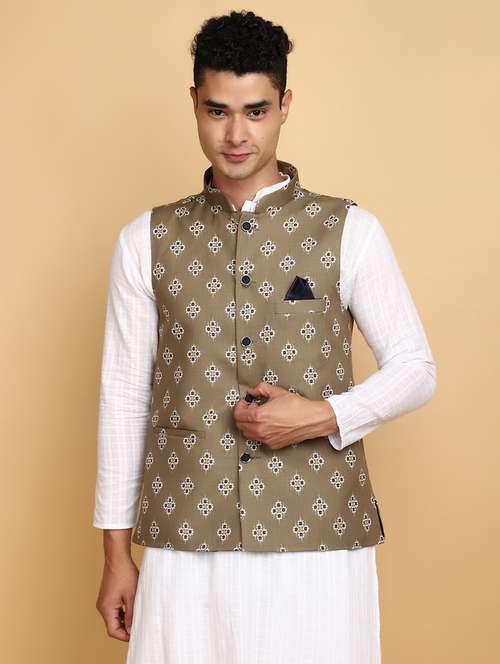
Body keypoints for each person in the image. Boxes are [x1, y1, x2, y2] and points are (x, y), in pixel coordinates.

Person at [93, 10, 436, 664]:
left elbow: (416, 368)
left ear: (285, 105)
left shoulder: (349, 231)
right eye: (218, 111)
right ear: (194, 102)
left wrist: (323, 415)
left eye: (255, 111)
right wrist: (116, 556)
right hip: (186, 533)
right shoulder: (145, 242)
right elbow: (124, 400)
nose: (236, 134)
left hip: (320, 536)